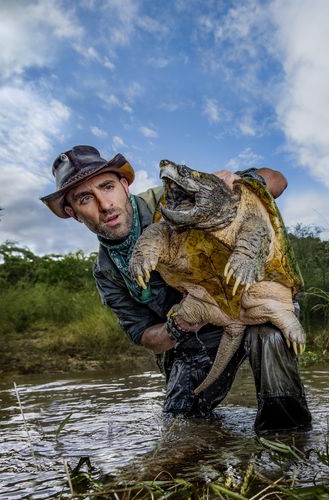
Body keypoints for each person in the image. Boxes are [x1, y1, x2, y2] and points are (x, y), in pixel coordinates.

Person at [40, 145, 312, 432]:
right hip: (195, 334)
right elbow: (145, 336)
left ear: (124, 186)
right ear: (73, 213)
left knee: (270, 336)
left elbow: (278, 181)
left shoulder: (173, 198)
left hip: (253, 300)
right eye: (86, 198)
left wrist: (237, 182)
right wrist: (180, 323)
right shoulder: (107, 273)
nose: (104, 205)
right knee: (181, 423)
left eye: (107, 187)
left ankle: (286, 440)